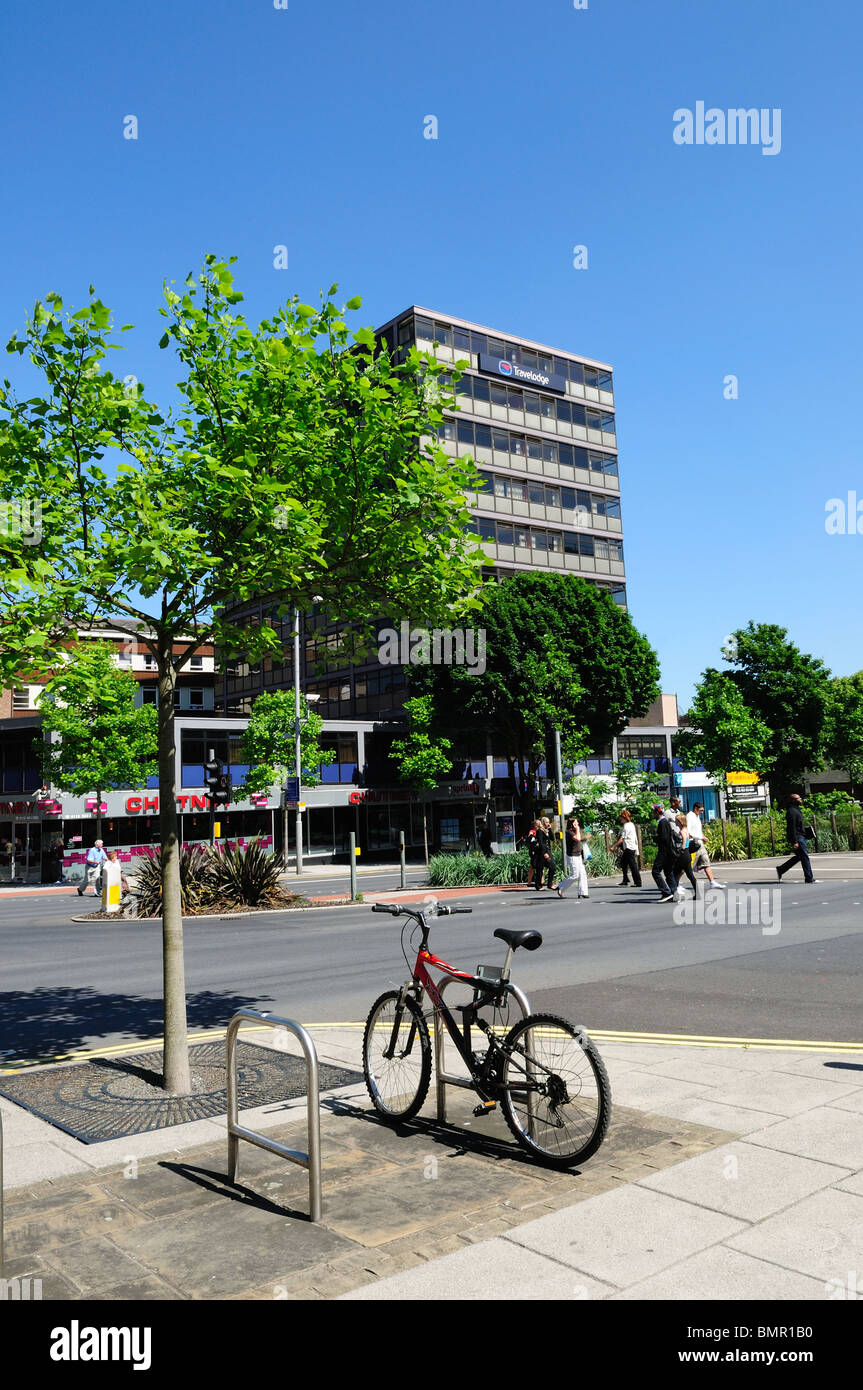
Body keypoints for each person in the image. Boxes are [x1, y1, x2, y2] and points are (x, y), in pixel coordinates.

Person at [776, 793, 817, 883]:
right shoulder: (791, 811)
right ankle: (809, 878)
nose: (801, 799)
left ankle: (781, 869)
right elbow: (792, 828)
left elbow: (798, 826)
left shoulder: (796, 810)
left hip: (800, 836)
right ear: (794, 800)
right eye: (799, 798)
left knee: (800, 856)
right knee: (805, 857)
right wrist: (795, 841)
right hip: (798, 838)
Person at [686, 802, 725, 888]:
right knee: (687, 866)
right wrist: (700, 837)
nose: (702, 812)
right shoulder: (690, 816)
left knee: (706, 862)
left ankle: (712, 882)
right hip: (694, 844)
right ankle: (676, 884)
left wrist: (702, 837)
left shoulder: (697, 816)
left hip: (700, 844)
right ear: (695, 808)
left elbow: (696, 830)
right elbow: (688, 832)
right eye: (701, 810)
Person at [557, 817, 589, 899]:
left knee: (582, 874)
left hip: (578, 855)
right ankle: (561, 886)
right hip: (572, 856)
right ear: (571, 824)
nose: (577, 824)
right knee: (575, 875)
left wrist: (583, 839)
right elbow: (577, 838)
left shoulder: (574, 832)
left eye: (577, 823)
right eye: (575, 823)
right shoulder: (568, 832)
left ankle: (583, 892)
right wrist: (578, 830)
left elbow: (578, 840)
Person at [651, 804, 676, 902]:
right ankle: (674, 892)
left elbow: (664, 838)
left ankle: (666, 892)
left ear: (657, 812)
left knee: (655, 871)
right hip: (669, 851)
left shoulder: (662, 823)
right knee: (668, 872)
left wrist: (655, 838)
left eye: (654, 812)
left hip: (664, 851)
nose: (653, 813)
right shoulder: (665, 822)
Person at [672, 813, 699, 901]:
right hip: (688, 855)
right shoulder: (686, 829)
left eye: (676, 820)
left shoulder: (682, 831)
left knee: (675, 874)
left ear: (680, 822)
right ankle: (697, 892)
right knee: (690, 875)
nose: (675, 822)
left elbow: (684, 843)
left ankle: (674, 894)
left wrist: (681, 850)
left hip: (683, 855)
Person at [612, 810, 642, 887]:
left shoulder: (626, 826)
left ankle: (638, 882)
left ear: (624, 818)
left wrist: (614, 846)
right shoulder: (631, 824)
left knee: (633, 865)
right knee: (624, 863)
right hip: (631, 846)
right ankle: (625, 879)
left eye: (621, 818)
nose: (620, 819)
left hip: (629, 847)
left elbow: (622, 838)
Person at [533, 817, 555, 891]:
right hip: (542, 851)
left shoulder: (546, 830)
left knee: (552, 867)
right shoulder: (540, 831)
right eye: (546, 822)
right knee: (540, 868)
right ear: (543, 823)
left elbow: (552, 839)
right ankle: (538, 885)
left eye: (549, 822)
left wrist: (550, 829)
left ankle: (549, 884)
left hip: (548, 850)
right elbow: (541, 842)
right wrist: (544, 853)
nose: (548, 823)